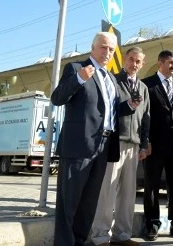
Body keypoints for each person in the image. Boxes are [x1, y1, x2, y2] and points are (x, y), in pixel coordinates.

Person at [51, 32, 119, 246]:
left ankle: (78, 242)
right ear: (92, 48)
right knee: (68, 204)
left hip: (103, 145)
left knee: (88, 205)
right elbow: (57, 98)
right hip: (78, 146)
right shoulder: (75, 68)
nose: (107, 52)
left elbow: (108, 111)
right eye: (103, 47)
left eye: (111, 49)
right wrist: (79, 79)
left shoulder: (111, 78)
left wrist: (130, 107)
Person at [90, 47, 150, 246]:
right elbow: (109, 109)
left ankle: (122, 235)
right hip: (115, 142)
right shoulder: (114, 81)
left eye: (138, 61)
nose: (134, 64)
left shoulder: (143, 88)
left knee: (128, 193)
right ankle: (100, 236)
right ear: (125, 60)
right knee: (107, 190)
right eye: (131, 59)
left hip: (134, 146)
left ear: (142, 64)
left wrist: (144, 143)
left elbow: (146, 118)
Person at [141, 50, 173, 241]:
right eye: (170, 63)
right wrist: (145, 141)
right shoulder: (146, 84)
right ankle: (152, 225)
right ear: (160, 64)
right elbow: (143, 116)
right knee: (152, 186)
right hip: (154, 146)